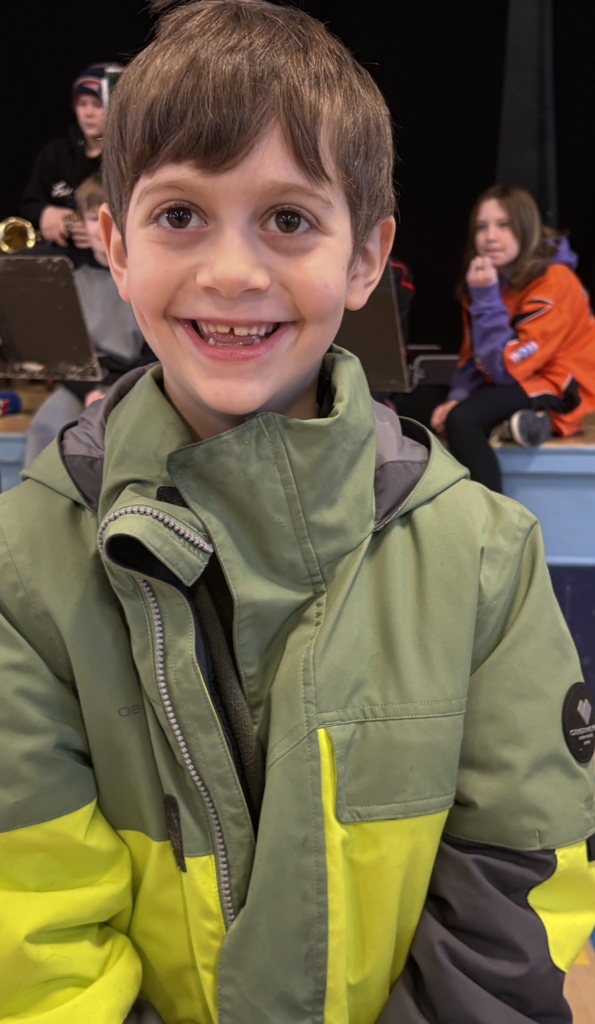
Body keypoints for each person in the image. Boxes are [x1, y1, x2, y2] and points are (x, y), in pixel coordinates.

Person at [0, 4, 594, 1023]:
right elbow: (34, 931)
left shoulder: (485, 554)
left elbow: (522, 891)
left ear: (365, 256)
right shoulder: (23, 566)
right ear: (115, 244)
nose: (233, 273)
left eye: (288, 219)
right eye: (180, 214)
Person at [431, 185, 595, 491]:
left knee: (463, 421)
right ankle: (521, 423)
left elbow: (508, 368)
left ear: (526, 228)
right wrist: (457, 396)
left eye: (503, 225)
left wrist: (486, 299)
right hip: (520, 379)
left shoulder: (556, 280)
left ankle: (494, 527)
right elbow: (472, 356)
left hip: (562, 384)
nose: (490, 236)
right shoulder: (488, 279)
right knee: (432, 412)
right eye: (482, 227)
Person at [24, 173, 154, 465]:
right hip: (82, 385)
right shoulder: (69, 277)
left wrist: (118, 390)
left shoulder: (146, 275)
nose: (102, 228)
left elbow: (155, 349)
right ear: (81, 223)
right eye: (93, 219)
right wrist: (89, 391)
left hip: (137, 382)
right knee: (47, 425)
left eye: (111, 218)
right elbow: (61, 351)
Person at [21, 63, 122, 250]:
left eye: (97, 104)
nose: (88, 113)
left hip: (108, 261)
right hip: (60, 254)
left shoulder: (127, 158)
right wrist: (45, 213)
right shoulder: (55, 154)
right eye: (82, 104)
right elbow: (29, 204)